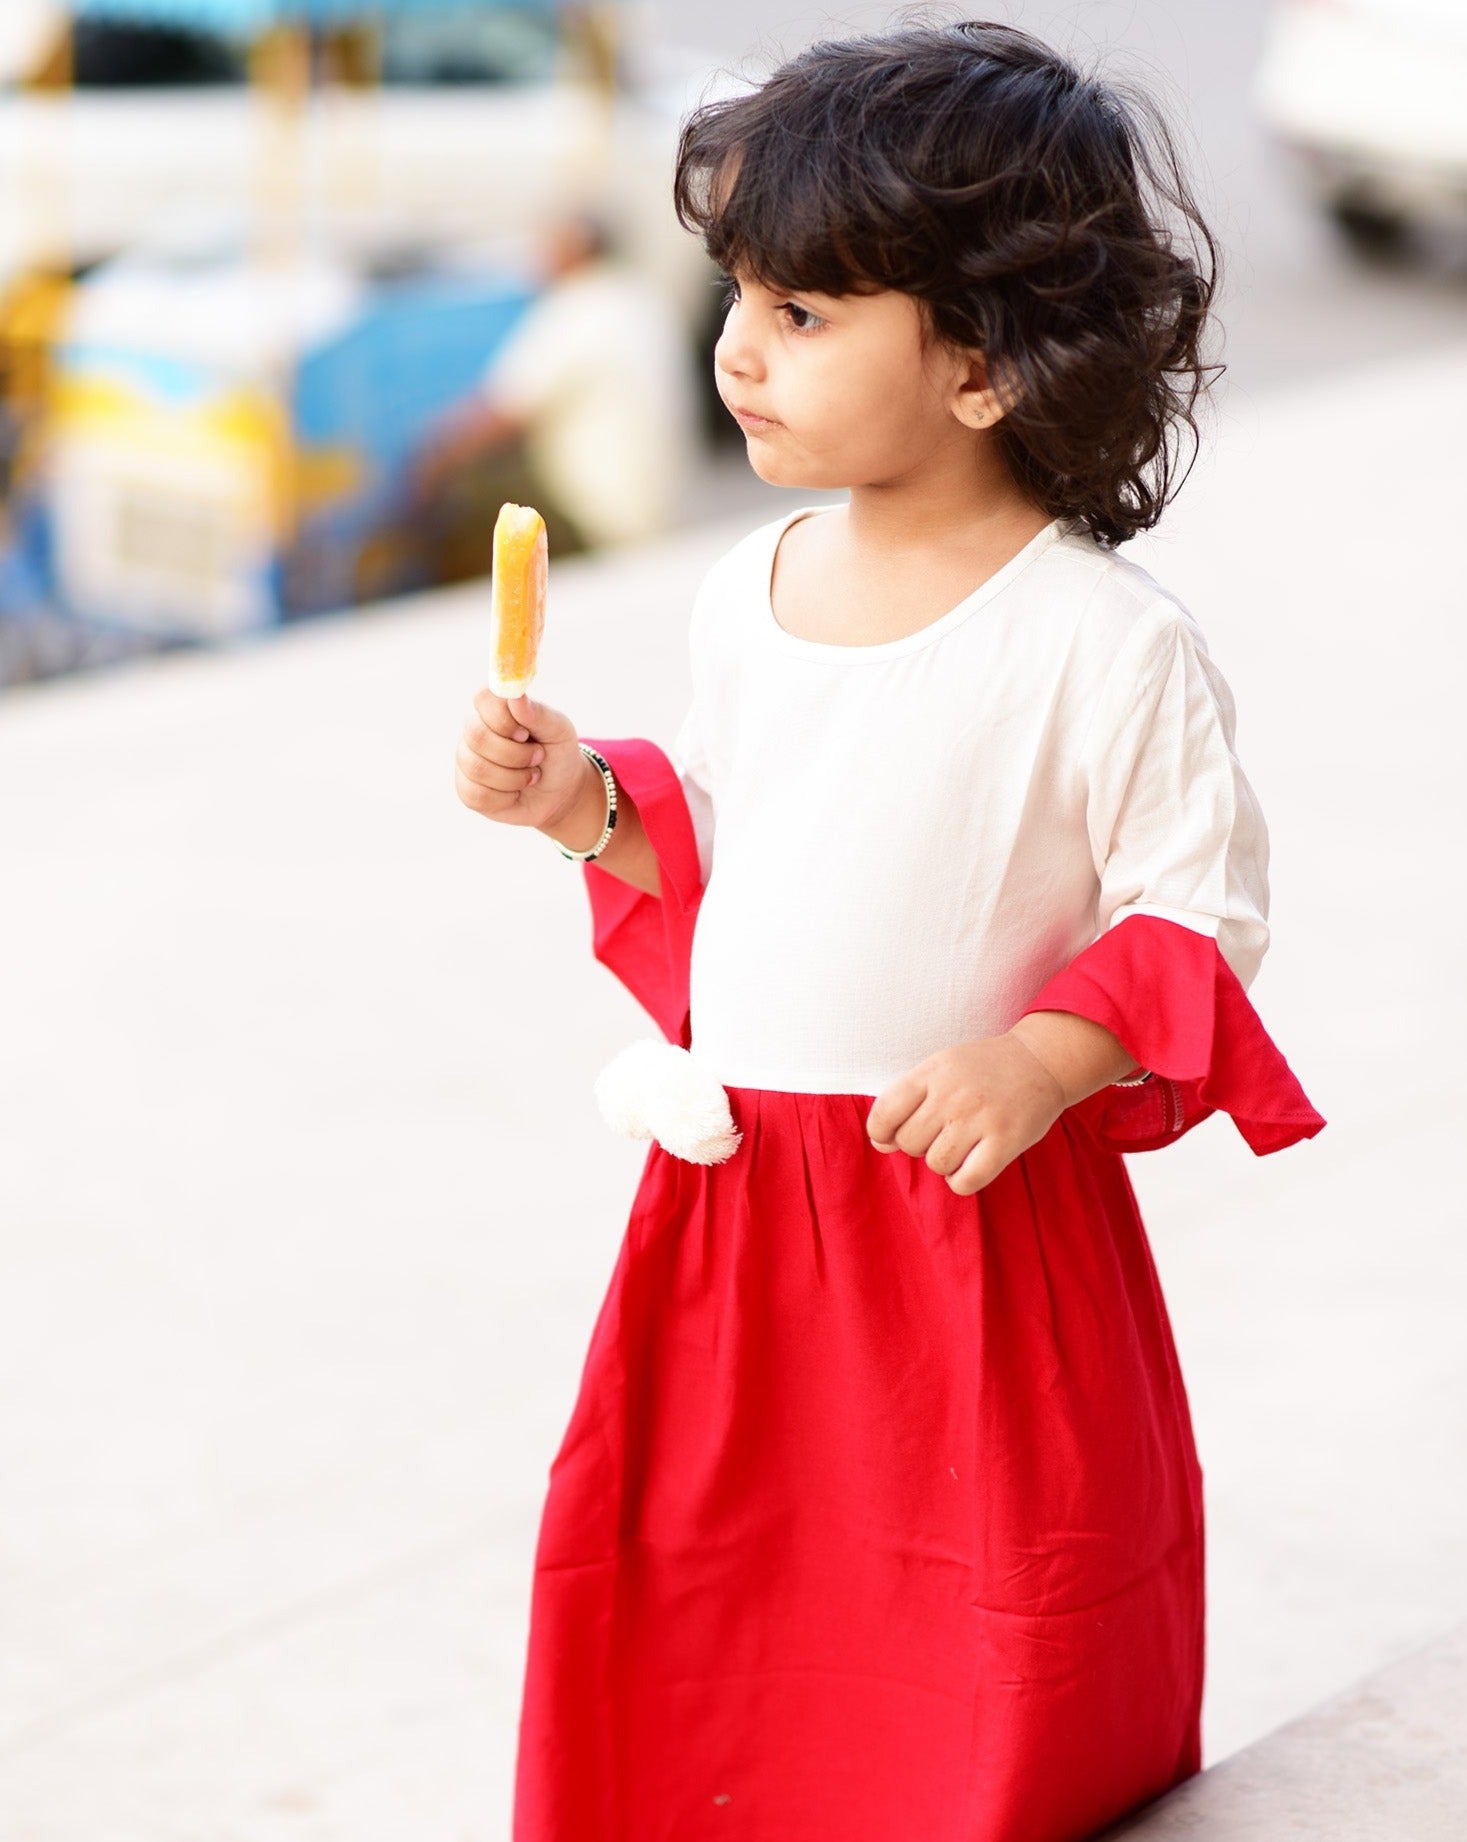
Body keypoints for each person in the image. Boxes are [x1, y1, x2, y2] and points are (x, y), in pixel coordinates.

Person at [453, 21, 1327, 1841]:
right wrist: (585, 804)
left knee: (988, 1598)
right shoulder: (745, 593)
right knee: (714, 1580)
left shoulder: (1099, 641)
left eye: (801, 312)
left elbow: (1196, 901)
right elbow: (731, 851)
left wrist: (1045, 1054)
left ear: (984, 364)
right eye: (738, 296)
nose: (735, 348)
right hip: (733, 1209)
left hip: (959, 1217)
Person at [409, 208, 701, 566]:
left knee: (469, 488)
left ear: (574, 250)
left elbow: (498, 412)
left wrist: (431, 463)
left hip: (596, 521)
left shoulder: (575, 307)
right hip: (654, 515)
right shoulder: (640, 298)